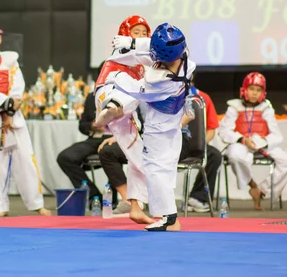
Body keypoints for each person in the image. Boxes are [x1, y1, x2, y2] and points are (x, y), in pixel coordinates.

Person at [112, 23, 195, 231]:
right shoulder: (185, 58)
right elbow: (160, 45)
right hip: (173, 126)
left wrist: (115, 75)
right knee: (166, 170)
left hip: (157, 130)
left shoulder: (157, 80)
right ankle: (171, 217)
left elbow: (132, 88)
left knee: (154, 170)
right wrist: (132, 42)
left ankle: (168, 218)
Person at [0, 23, 51, 218]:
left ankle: (37, 204)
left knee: (26, 160)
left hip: (15, 118)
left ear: (1, 39)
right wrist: (5, 106)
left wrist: (11, 111)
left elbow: (17, 86)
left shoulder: (11, 60)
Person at [94, 15, 152, 224]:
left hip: (124, 111)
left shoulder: (141, 61)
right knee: (130, 92)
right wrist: (132, 42)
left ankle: (135, 206)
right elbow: (147, 51)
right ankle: (110, 110)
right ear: (126, 34)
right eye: (136, 32)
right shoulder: (124, 48)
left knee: (140, 159)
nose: (141, 36)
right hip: (109, 91)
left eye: (145, 33)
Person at [219, 72, 287, 210]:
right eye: (252, 89)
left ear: (263, 92)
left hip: (262, 142)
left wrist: (261, 142)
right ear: (244, 89)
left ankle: (262, 190)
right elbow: (224, 131)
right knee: (235, 156)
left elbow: (277, 135)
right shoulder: (234, 107)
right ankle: (252, 185)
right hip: (241, 143)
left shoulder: (266, 108)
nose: (254, 93)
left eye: (258, 90)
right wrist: (242, 139)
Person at [57, 91, 124, 207]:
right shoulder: (92, 96)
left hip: (116, 138)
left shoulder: (123, 94)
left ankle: (111, 198)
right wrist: (92, 126)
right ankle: (93, 196)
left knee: (110, 152)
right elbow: (82, 125)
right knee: (64, 158)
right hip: (95, 138)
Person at [179, 75, 222, 213]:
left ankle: (197, 197)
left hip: (195, 145)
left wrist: (201, 144)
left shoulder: (202, 98)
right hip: (173, 143)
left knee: (214, 155)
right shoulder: (167, 95)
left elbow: (211, 129)